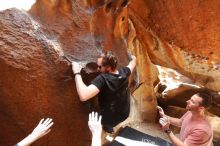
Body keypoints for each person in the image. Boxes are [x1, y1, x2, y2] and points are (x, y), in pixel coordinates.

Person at [72, 51, 136, 133]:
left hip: (107, 118)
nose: (97, 69)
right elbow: (133, 63)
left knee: (87, 106)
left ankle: (106, 124)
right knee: (112, 117)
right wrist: (133, 57)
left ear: (108, 68)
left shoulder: (102, 79)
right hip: (124, 114)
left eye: (99, 66)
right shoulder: (124, 72)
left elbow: (83, 96)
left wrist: (77, 72)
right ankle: (109, 126)